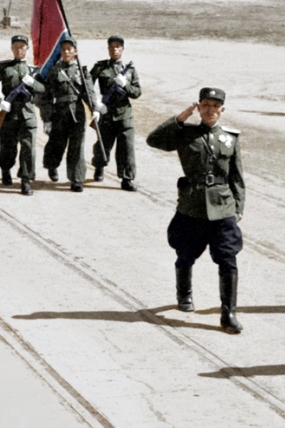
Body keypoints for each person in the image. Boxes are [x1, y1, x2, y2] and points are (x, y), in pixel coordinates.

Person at [146, 88, 245, 332]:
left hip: (222, 207)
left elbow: (237, 176)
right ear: (198, 107)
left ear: (222, 110)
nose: (210, 110)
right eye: (206, 105)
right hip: (192, 205)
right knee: (186, 254)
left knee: (228, 259)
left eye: (215, 106)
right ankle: (184, 295)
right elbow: (154, 140)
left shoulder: (230, 138)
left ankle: (228, 313)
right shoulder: (185, 133)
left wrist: (238, 206)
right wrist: (180, 119)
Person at [0, 35, 46, 195]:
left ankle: (26, 181)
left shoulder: (34, 70)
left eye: (23, 46)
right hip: (9, 114)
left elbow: (44, 90)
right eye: (16, 46)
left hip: (27, 114)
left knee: (28, 149)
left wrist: (34, 84)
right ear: (12, 48)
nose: (19, 49)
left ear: (27, 48)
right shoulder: (4, 67)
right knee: (8, 147)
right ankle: (5, 170)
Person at [42, 36, 98, 192]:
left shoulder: (82, 71)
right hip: (59, 112)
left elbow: (89, 92)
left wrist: (95, 109)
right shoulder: (54, 70)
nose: (66, 52)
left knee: (77, 146)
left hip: (77, 113)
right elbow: (45, 96)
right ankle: (52, 165)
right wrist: (46, 118)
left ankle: (77, 179)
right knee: (57, 143)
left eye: (69, 49)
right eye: (64, 49)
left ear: (75, 51)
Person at [89, 35, 141, 191]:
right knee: (103, 145)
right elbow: (87, 86)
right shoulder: (100, 67)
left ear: (123, 49)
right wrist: (96, 104)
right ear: (108, 49)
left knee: (126, 148)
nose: (115, 49)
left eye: (118, 46)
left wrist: (125, 85)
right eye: (112, 47)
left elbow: (137, 92)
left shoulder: (130, 70)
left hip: (125, 114)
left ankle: (127, 178)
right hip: (106, 113)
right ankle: (99, 166)